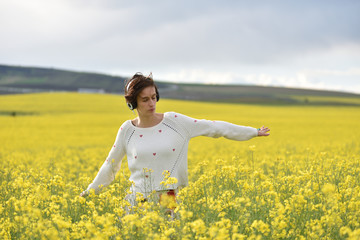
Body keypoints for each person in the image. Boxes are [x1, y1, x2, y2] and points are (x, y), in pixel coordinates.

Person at [79, 72, 270, 206]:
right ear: (133, 103)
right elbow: (110, 166)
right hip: (135, 202)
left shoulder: (175, 122)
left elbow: (214, 127)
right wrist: (89, 192)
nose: (151, 103)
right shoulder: (126, 130)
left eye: (154, 97)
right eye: (145, 100)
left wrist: (252, 132)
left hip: (168, 198)